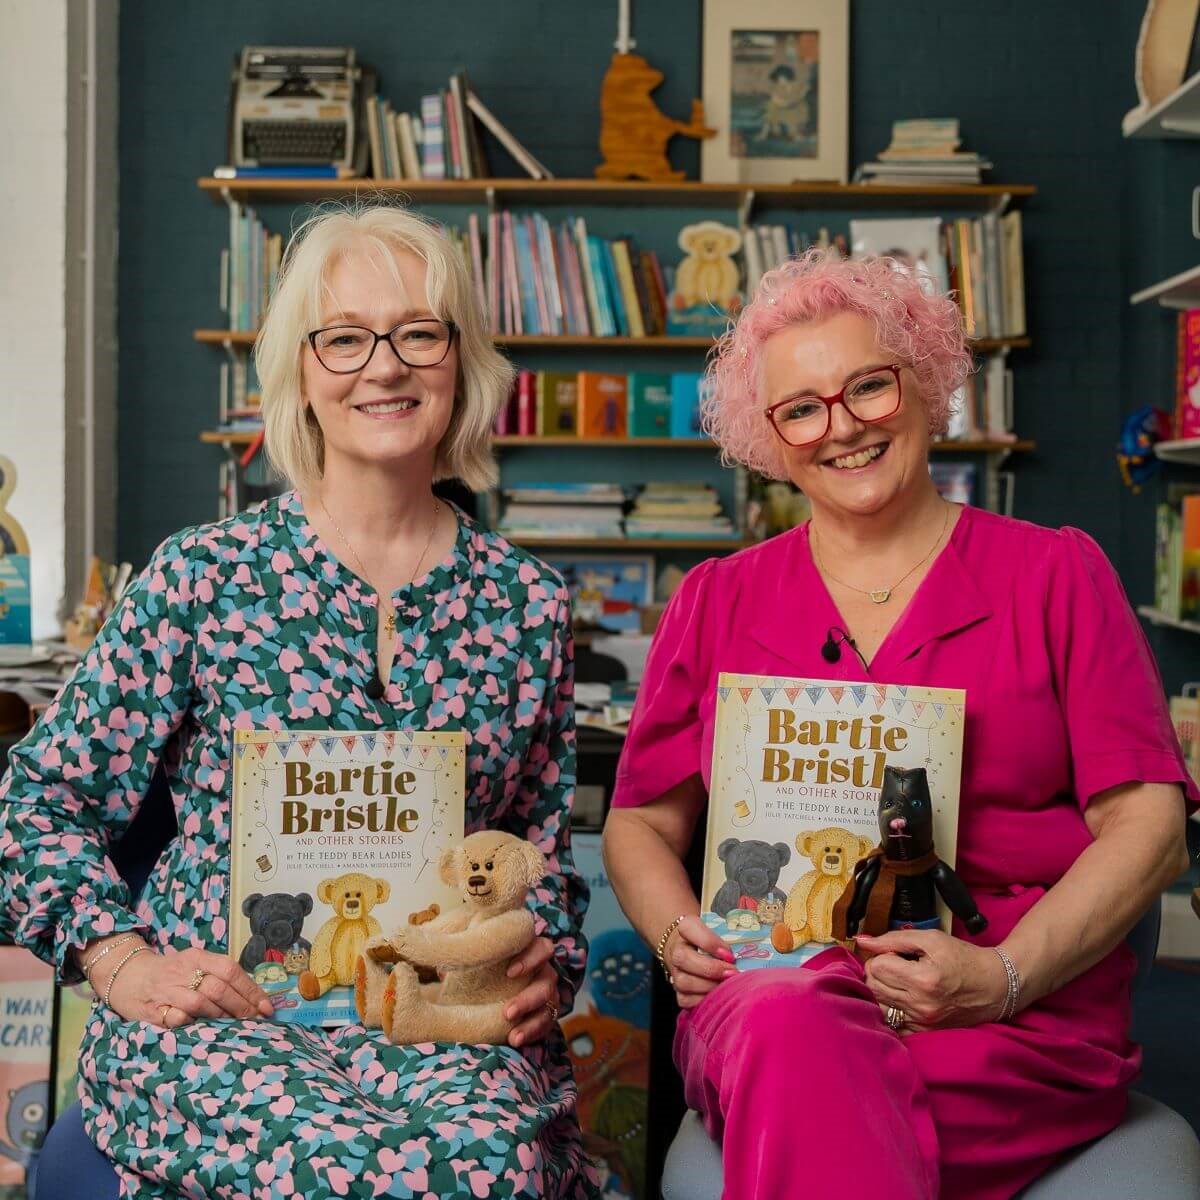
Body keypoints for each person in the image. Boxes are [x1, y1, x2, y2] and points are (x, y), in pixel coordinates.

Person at [0, 204, 598, 1199]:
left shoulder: (526, 603)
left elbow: (536, 850)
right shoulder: (202, 577)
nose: (385, 366)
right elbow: (37, 805)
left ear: (461, 362)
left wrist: (546, 962)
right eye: (346, 338)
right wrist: (119, 961)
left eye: (419, 332)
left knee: (493, 1163)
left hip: (439, 1019)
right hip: (224, 1017)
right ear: (302, 373)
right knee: (343, 1167)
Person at [602, 247, 1195, 1200]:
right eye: (801, 408)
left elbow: (1151, 826)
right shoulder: (715, 599)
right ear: (771, 434)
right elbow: (639, 822)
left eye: (869, 387)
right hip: (767, 998)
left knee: (807, 1087)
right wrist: (682, 941)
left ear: (925, 383)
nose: (842, 429)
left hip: (1001, 1017)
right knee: (788, 1023)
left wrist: (1001, 976)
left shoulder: (1056, 575)